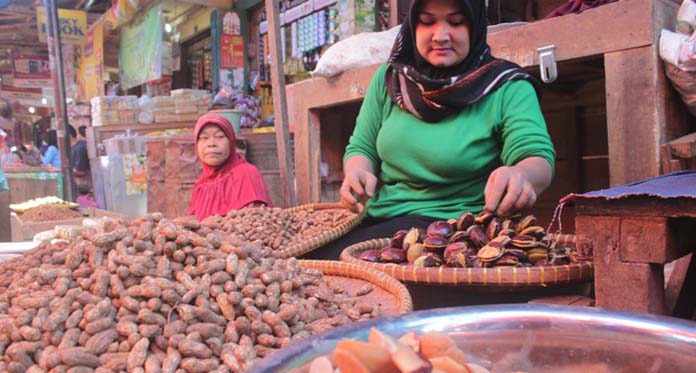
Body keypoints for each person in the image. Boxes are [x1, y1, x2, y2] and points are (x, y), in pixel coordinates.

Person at [305, 0, 556, 259]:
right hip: (384, 224)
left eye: (456, 22)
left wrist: (521, 175)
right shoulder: (390, 79)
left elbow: (536, 156)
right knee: (305, 263)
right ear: (413, 26)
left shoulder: (507, 87)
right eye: (427, 22)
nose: (440, 36)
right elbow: (362, 147)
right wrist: (357, 172)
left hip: (458, 235)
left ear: (475, 25)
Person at [189, 113, 273, 220]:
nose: (211, 144)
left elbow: (252, 223)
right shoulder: (200, 186)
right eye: (204, 138)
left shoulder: (246, 174)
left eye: (219, 137)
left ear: (231, 142)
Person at [69, 124, 92, 194]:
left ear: (69, 135)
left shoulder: (79, 149)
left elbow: (81, 172)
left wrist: (63, 171)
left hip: (83, 187)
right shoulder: (73, 149)